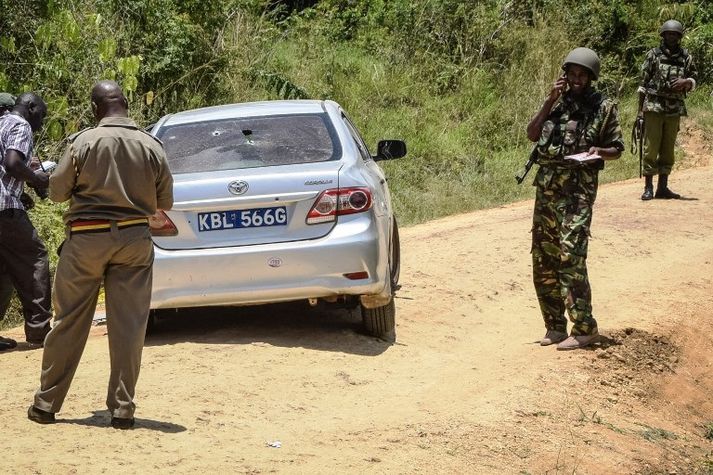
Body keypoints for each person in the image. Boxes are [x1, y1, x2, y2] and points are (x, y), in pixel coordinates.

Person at [29, 80, 173, 429]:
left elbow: (59, 192)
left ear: (96, 109)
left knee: (69, 323)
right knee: (129, 326)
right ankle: (123, 410)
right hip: (135, 241)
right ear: (126, 103)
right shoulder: (151, 145)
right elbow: (164, 202)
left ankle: (47, 405)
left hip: (86, 241)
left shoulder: (83, 142)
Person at [526, 48, 624, 350]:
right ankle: (555, 326)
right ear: (565, 74)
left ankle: (584, 328)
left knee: (571, 256)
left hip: (578, 193)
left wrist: (599, 152)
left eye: (582, 75)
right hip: (547, 190)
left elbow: (617, 148)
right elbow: (532, 133)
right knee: (543, 258)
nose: (576, 79)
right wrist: (548, 101)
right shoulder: (556, 104)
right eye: (572, 73)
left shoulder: (603, 107)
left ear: (591, 77)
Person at [0, 92, 52, 351]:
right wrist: (37, 179)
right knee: (35, 258)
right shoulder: (19, 124)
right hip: (5, 210)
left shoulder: (0, 123)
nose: (41, 123)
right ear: (30, 107)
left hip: (7, 203)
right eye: (41, 115)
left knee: (3, 269)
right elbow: (11, 163)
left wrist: (21, 192)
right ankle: (40, 330)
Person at [638, 19, 697, 200]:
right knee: (651, 147)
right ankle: (648, 187)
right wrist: (640, 112)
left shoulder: (686, 57)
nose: (671, 37)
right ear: (663, 35)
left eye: (675, 34)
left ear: (679, 37)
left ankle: (662, 187)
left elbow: (694, 77)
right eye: (669, 34)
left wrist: (685, 82)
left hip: (674, 108)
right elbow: (642, 84)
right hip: (654, 106)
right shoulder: (653, 55)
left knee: (667, 148)